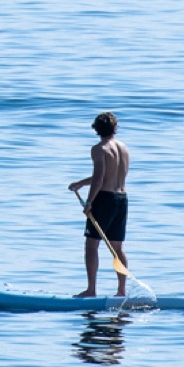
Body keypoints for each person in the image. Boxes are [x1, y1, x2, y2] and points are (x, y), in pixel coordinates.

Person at [68, 111, 129, 297]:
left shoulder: (99, 149)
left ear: (96, 129)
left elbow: (100, 179)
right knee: (117, 247)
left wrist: (89, 202)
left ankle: (91, 289)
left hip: (104, 199)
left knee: (91, 245)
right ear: (115, 128)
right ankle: (121, 291)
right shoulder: (123, 148)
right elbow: (109, 175)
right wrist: (81, 183)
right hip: (121, 199)